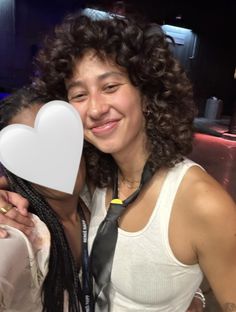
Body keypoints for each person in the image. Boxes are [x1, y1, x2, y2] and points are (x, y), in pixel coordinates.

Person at [0, 9, 236, 311]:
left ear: (146, 90)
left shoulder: (202, 201)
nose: (95, 108)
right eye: (79, 95)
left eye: (110, 86)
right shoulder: (91, 178)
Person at [0, 87, 93, 312]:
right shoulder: (21, 234)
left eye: (60, 139)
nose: (55, 160)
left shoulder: (98, 195)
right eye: (32, 153)